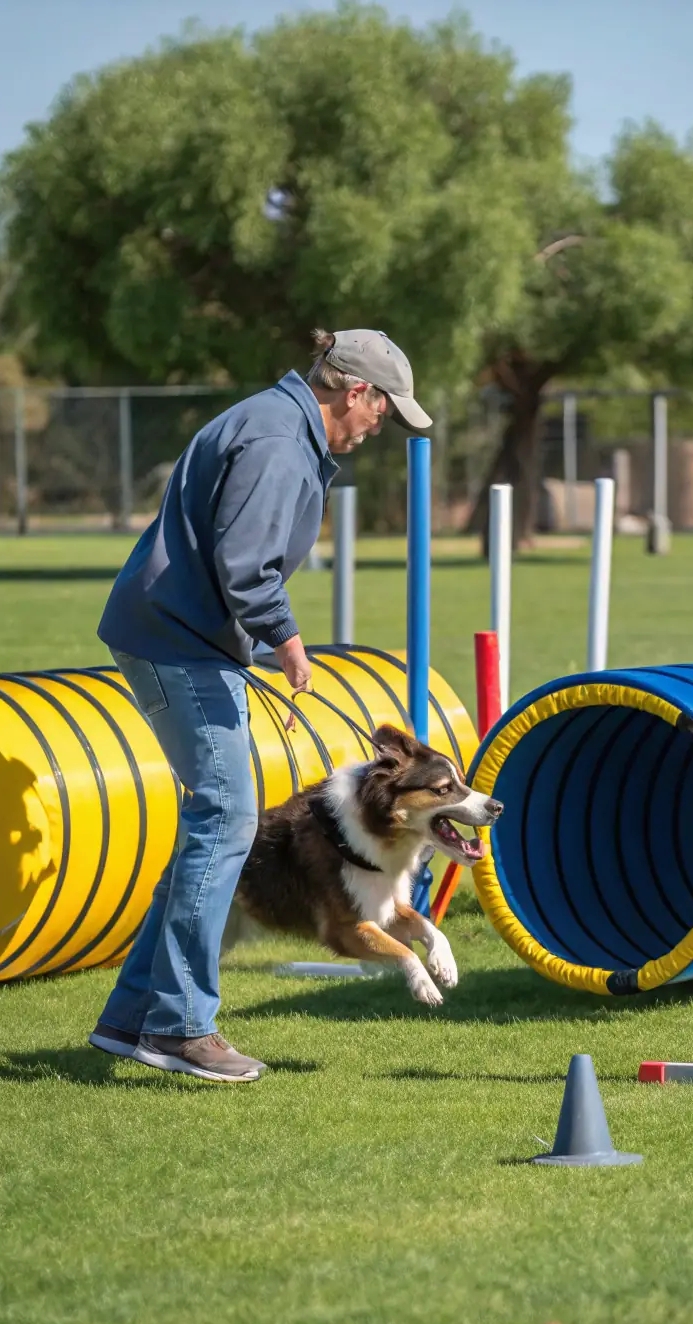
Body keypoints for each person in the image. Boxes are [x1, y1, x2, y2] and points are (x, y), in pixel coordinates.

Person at [87, 329, 431, 1083]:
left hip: (181, 638)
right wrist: (287, 639)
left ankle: (131, 1014)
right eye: (384, 410)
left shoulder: (278, 425)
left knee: (217, 823)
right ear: (355, 392)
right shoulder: (278, 440)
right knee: (228, 818)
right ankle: (179, 1026)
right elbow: (245, 563)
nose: (380, 427)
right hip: (176, 639)